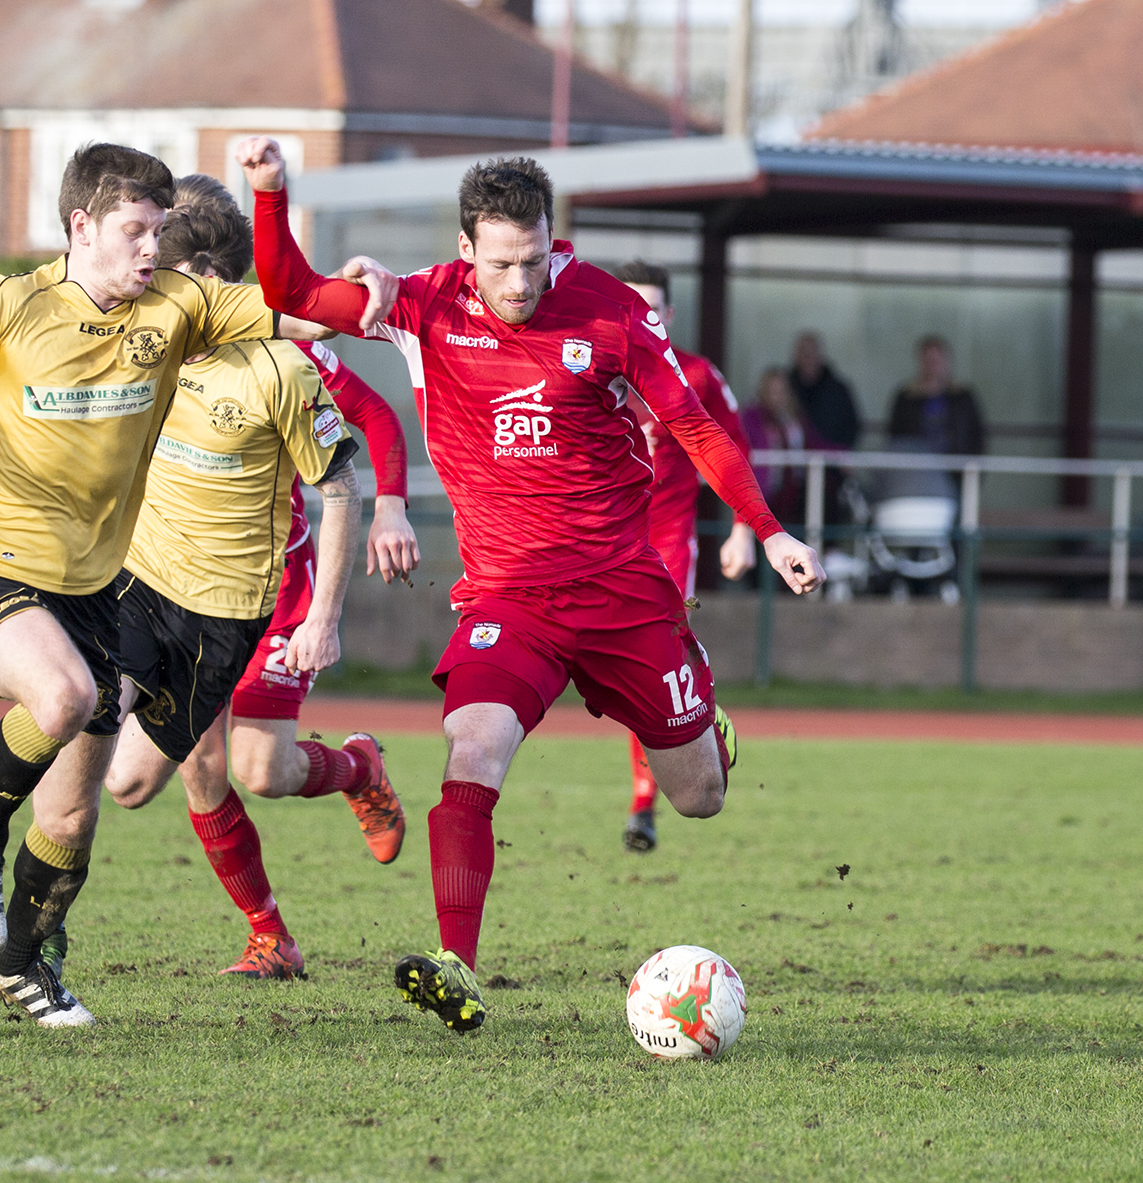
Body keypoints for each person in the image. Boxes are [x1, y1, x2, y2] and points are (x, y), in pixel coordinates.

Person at [237, 138, 822, 1032]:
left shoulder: (613, 312)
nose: (522, 281)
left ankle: (702, 707)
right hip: (508, 597)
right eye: (503, 262)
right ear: (467, 249)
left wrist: (769, 528)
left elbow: (696, 429)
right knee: (470, 755)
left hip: (624, 592)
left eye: (538, 257)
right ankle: (457, 967)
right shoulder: (423, 303)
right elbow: (290, 293)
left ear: (556, 240)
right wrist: (272, 189)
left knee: (698, 795)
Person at [0, 143, 369, 1027]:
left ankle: (23, 965)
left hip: (102, 597)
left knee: (79, 811)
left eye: (159, 234)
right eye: (134, 232)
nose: (148, 252)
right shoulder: (7, 303)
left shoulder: (178, 307)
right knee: (62, 693)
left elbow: (307, 315)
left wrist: (370, 288)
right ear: (80, 226)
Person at [100, 176, 413, 982]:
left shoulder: (284, 358)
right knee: (141, 780)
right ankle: (269, 935)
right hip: (178, 591)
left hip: (276, 590)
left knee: (263, 771)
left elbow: (371, 424)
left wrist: (391, 511)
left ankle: (358, 768)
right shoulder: (140, 342)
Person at [613, 261, 755, 856]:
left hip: (667, 544)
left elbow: (732, 449)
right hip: (601, 546)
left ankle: (644, 803)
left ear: (668, 314)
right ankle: (698, 710)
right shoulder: (593, 364)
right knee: (618, 676)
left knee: (653, 668)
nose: (643, 317)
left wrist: (745, 529)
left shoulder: (695, 374)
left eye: (653, 307)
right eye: (632, 307)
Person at [740, 367, 824, 523]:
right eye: (772, 391)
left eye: (781, 391)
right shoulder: (752, 416)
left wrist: (842, 454)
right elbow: (742, 444)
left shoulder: (795, 416)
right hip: (763, 491)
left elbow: (813, 443)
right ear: (763, 392)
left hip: (794, 491)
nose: (777, 396)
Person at [888, 334, 986, 456]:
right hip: (917, 467)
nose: (933, 365)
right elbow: (896, 438)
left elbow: (976, 435)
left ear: (946, 361)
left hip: (954, 467)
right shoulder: (906, 398)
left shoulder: (962, 397)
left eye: (936, 360)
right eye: (928, 360)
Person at [789, 332, 861, 449]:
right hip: (793, 463)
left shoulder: (838, 390)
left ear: (820, 355)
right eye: (803, 352)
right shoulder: (785, 389)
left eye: (811, 352)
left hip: (832, 463)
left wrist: (841, 452)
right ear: (796, 355)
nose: (807, 358)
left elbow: (851, 426)